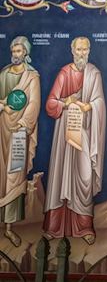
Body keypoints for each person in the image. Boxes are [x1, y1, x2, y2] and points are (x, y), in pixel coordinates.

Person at [42, 37, 106, 244]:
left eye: (85, 50)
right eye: (78, 49)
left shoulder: (94, 73)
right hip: (64, 133)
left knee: (84, 175)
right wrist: (66, 102)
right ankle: (55, 226)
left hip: (85, 130)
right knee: (62, 175)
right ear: (72, 50)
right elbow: (51, 104)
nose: (82, 53)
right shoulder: (64, 73)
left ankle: (84, 226)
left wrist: (90, 106)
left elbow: (99, 102)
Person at [0, 37, 40, 247]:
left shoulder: (32, 77)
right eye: (13, 51)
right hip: (0, 131)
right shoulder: (4, 74)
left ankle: (9, 228)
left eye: (19, 51)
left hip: (18, 134)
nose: (15, 54)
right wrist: (3, 107)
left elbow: (34, 103)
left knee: (14, 177)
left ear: (25, 53)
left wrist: (24, 123)